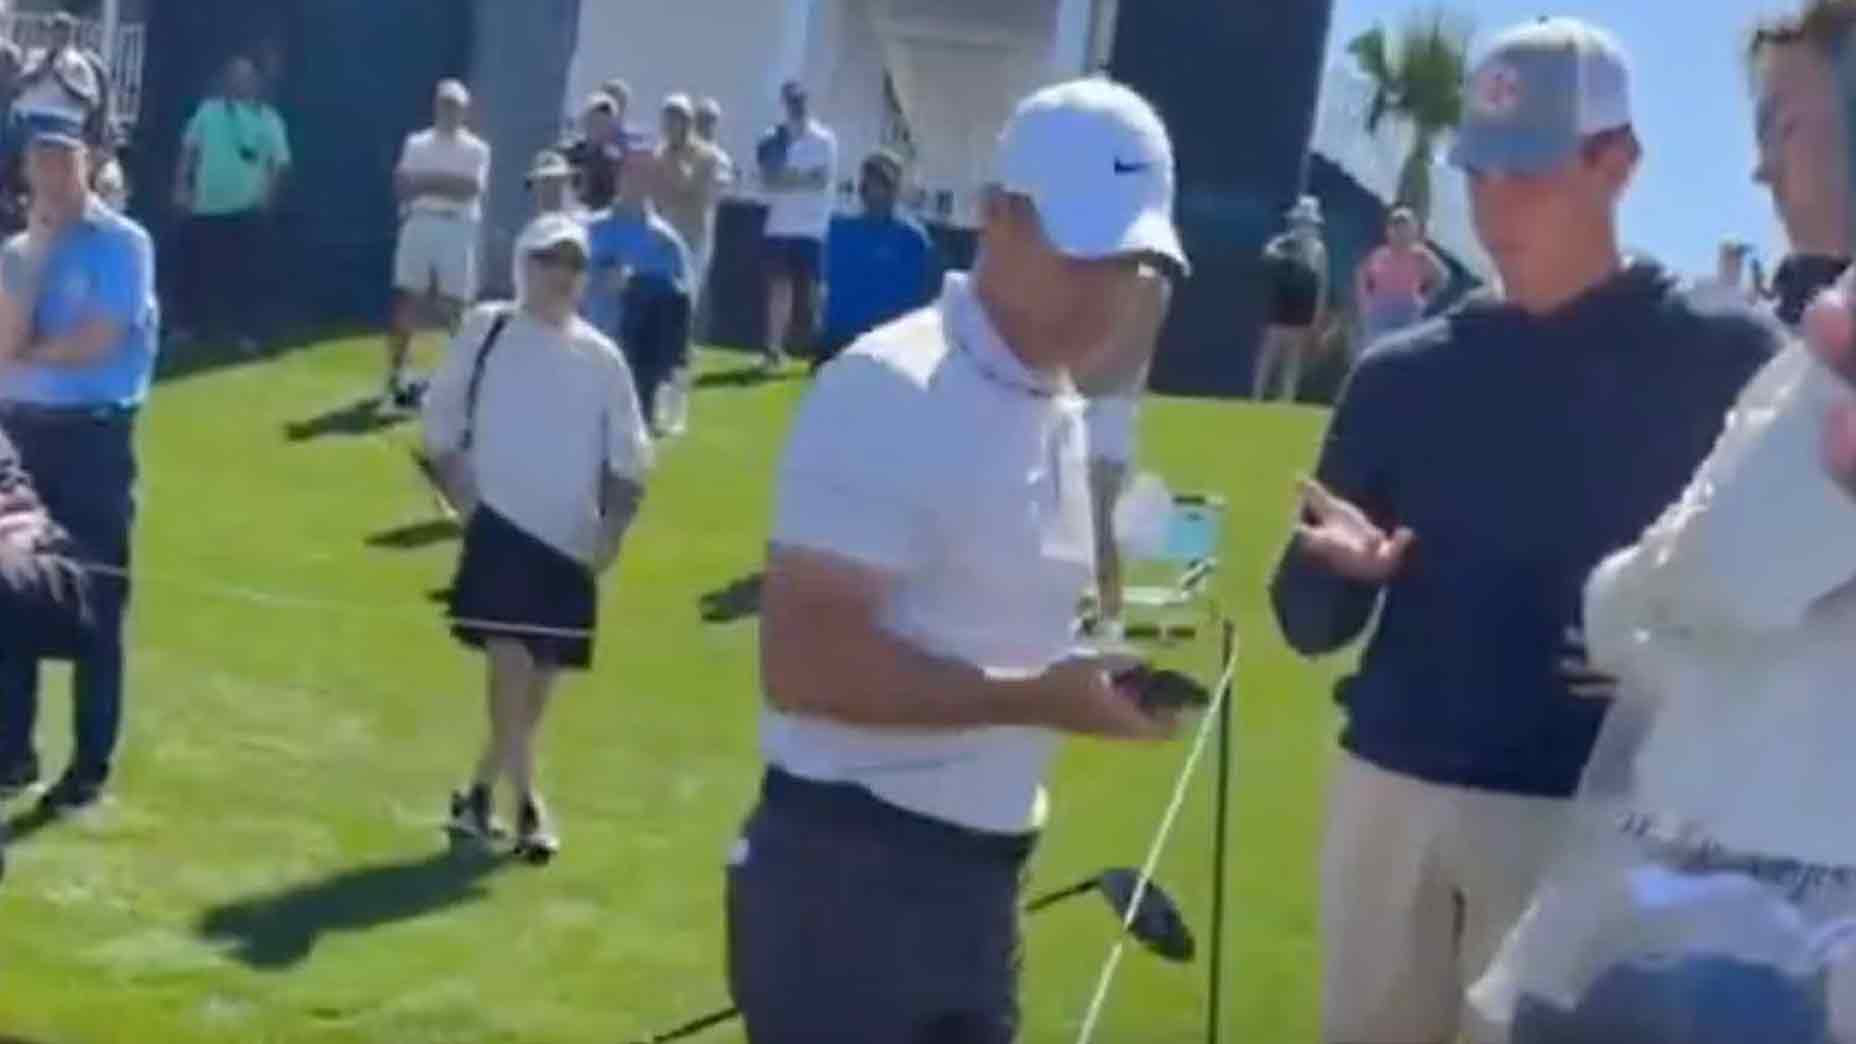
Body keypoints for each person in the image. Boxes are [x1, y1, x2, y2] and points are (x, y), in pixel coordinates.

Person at [1267, 18, 1778, 1044]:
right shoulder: (1399, 374)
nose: (1495, 201)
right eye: (1480, 170)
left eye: (1528, 170)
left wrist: (1678, 655)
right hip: (1389, 803)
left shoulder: (1726, 357)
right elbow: (1302, 615)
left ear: (1615, 162)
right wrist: (1345, 576)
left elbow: (1784, 610)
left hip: (1591, 818)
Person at [726, 77, 1189, 1043]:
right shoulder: (888, 386)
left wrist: (1094, 678)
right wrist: (1037, 697)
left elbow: (1003, 621)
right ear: (996, 221)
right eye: (1085, 251)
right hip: (847, 883)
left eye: (1131, 264)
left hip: (975, 883)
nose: (1106, 287)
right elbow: (806, 662)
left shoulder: (1052, 406)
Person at [1468, 2, 1856, 1037]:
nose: (1760, 171)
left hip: (1765, 915)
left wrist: (1625, 591)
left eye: (1782, 125)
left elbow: (1715, 574)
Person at [420, 213, 652, 861]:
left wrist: (613, 533)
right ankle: (529, 808)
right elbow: (439, 419)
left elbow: (632, 455)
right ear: (526, 265)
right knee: (509, 672)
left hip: (569, 545)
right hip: (500, 532)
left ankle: (475, 794)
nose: (563, 275)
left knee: (534, 693)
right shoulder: (488, 327)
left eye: (575, 264)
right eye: (552, 261)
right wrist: (464, 500)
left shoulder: (601, 357)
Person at [0, 118, 159, 813]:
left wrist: (27, 353)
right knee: (10, 595)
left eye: (66, 162)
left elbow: (95, 341)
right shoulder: (15, 251)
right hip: (19, 440)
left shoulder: (124, 243)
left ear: (90, 163)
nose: (54, 177)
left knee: (96, 596)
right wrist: (35, 256)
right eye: (42, 163)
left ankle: (88, 764)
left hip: (92, 438)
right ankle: (12, 750)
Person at [383, 79, 492, 409]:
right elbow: (403, 185)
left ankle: (464, 378)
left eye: (455, 106)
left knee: (454, 307)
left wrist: (426, 181)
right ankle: (396, 374)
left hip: (455, 228)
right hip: (420, 224)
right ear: (436, 107)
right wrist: (441, 183)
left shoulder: (476, 149)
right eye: (444, 105)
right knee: (408, 300)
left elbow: (469, 188)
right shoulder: (416, 143)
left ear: (465, 111)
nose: (449, 112)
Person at [1077, 266, 1173, 640]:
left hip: (1110, 415)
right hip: (1081, 413)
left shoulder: (1149, 285)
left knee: (1101, 524)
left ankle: (1110, 616)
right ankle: (1079, 610)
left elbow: (1118, 364)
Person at [171, 56, 291, 352]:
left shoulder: (269, 119)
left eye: (247, 77)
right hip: (206, 204)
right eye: (235, 76)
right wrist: (181, 186)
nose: (241, 82)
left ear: (257, 83)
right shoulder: (208, 111)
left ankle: (246, 333)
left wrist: (267, 196)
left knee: (247, 273)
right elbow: (189, 149)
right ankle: (188, 328)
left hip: (247, 207)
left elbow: (280, 164)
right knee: (197, 270)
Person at [585, 151, 692, 436]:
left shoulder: (666, 242)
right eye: (631, 172)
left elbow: (679, 309)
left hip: (640, 360)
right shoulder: (590, 229)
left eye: (645, 174)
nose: (637, 181)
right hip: (591, 343)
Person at [815, 149, 936, 369]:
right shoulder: (840, 230)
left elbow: (923, 296)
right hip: (838, 340)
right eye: (870, 182)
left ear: (895, 189)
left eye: (883, 184)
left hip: (888, 345)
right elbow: (823, 283)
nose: (875, 191)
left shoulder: (912, 238)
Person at [651, 93, 729, 433]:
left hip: (693, 245)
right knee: (659, 320)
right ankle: (655, 398)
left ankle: (677, 407)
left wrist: (675, 176)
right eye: (667, 119)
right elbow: (658, 196)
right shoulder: (659, 154)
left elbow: (694, 195)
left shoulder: (707, 157)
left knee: (683, 319)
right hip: (661, 243)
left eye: (678, 119)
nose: (672, 127)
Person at [757, 80, 837, 370]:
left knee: (814, 292)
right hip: (779, 225)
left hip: (813, 227)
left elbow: (821, 180)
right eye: (791, 100)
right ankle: (773, 350)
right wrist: (797, 179)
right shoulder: (772, 139)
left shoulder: (825, 139)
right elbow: (769, 180)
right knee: (779, 290)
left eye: (800, 99)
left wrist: (789, 178)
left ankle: (819, 350)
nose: (796, 105)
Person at [1255, 195, 1329, 401]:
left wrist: (1318, 313)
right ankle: (1256, 395)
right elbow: (1267, 254)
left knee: (1293, 356)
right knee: (1270, 351)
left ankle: (1286, 398)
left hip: (1303, 305)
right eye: (1301, 222)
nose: (1304, 226)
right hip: (1281, 303)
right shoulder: (1281, 243)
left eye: (1308, 223)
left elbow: (1322, 282)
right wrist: (1288, 252)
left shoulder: (1318, 249)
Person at [12, 14, 110, 147]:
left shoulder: (80, 63)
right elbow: (17, 86)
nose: (58, 35)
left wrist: (64, 82)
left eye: (63, 31)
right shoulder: (34, 57)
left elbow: (91, 102)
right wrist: (39, 72)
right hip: (29, 119)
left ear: (71, 34)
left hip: (63, 122)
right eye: (55, 30)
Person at [1355, 205, 1448, 346]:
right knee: (1374, 350)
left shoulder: (1420, 255)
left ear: (1413, 231)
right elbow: (1360, 274)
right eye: (1396, 228)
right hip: (1380, 310)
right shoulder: (1380, 255)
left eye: (1405, 228)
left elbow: (1442, 276)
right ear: (1389, 232)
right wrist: (1366, 305)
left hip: (1408, 310)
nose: (1400, 233)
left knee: (1404, 350)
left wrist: (1425, 300)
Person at [561, 93, 625, 212]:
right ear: (585, 121)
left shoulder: (615, 162)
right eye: (595, 120)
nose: (599, 127)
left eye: (604, 123)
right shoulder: (565, 155)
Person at [1689, 238, 1758, 312]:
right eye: (1732, 256)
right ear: (1722, 260)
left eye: (1740, 257)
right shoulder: (1703, 286)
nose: (1738, 262)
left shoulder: (1745, 296)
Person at [525, 148, 575, 217]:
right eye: (545, 181)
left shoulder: (585, 222)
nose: (552, 187)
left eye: (559, 180)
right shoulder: (537, 226)